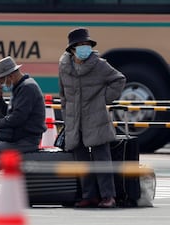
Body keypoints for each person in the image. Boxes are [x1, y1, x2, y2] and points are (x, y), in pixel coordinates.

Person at [58, 27, 126, 208]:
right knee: (81, 160)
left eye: (86, 44)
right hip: (74, 120)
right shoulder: (64, 65)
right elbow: (62, 93)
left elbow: (119, 79)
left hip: (96, 119)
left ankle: (108, 196)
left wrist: (103, 98)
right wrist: (66, 114)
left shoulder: (99, 64)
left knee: (102, 158)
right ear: (71, 49)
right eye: (80, 45)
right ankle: (89, 196)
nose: (84, 48)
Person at [0, 56, 47, 207]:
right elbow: (11, 115)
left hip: (24, 140)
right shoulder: (20, 87)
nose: (0, 84)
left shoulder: (26, 88)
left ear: (10, 75)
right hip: (18, 138)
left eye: (0, 80)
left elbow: (18, 118)